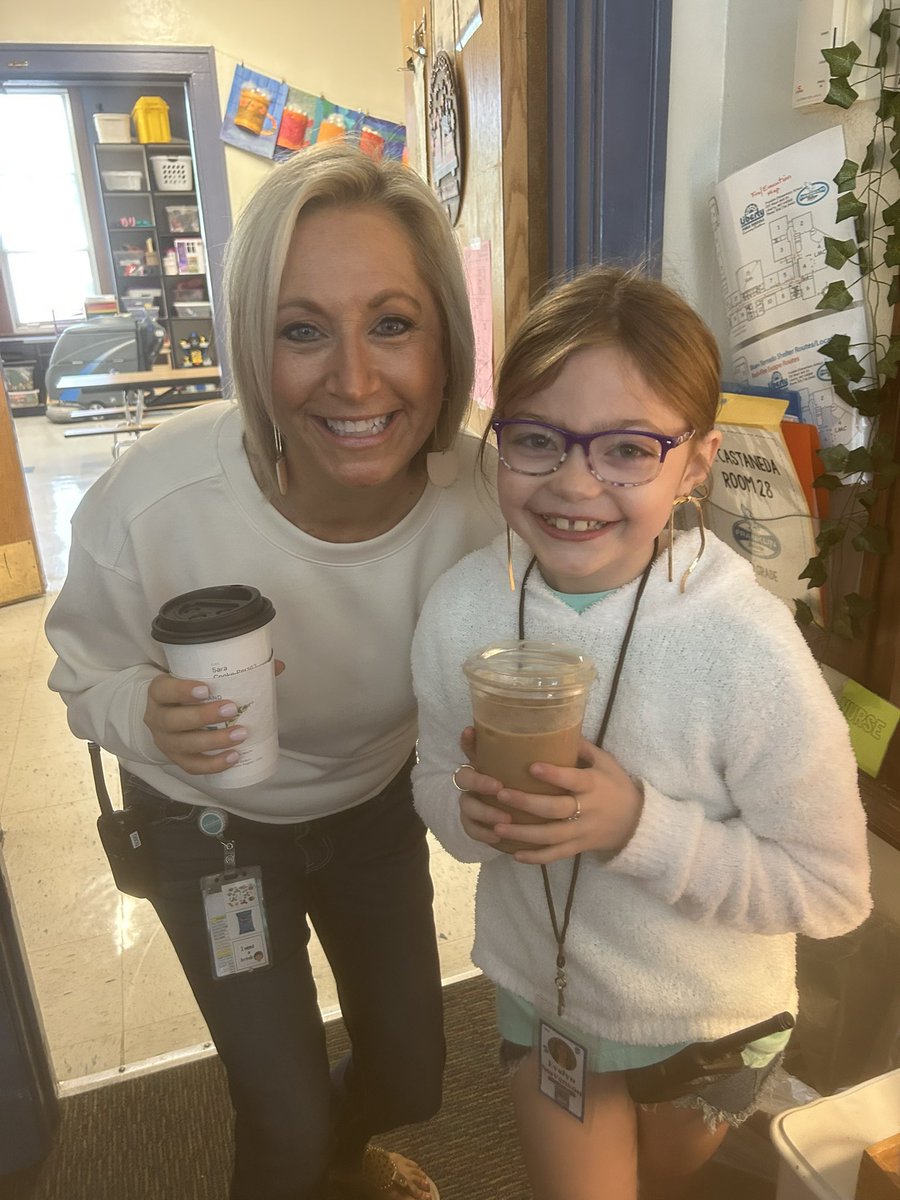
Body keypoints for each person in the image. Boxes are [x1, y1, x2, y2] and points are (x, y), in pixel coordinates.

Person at [46, 142, 501, 1200]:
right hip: (207, 827)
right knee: (283, 1121)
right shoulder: (155, 500)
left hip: (375, 806)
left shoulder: (485, 496)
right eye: (303, 330)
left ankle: (344, 1158)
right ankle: (310, 1161)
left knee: (412, 1073)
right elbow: (82, 675)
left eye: (393, 324)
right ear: (253, 348)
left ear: (447, 338)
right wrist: (146, 714)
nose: (355, 380)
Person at [410, 265, 872, 1200]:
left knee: (663, 1182)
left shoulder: (744, 646)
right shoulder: (464, 610)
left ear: (696, 462)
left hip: (713, 1024)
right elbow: (430, 781)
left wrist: (636, 827)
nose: (574, 482)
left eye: (627, 448)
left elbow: (833, 892)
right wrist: (470, 815)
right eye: (535, 439)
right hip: (549, 997)